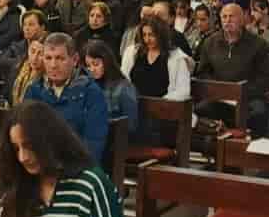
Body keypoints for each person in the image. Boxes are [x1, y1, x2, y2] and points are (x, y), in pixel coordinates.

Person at [23, 33, 110, 165]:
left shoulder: (91, 93)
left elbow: (93, 145)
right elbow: (25, 134)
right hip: (39, 165)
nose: (53, 65)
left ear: (74, 60)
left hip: (76, 166)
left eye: (60, 58)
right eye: (48, 58)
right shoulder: (34, 90)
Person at [195, 3, 269, 126]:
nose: (227, 20)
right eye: (224, 17)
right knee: (199, 110)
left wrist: (240, 92)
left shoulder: (258, 44)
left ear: (242, 20)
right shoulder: (210, 42)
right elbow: (202, 73)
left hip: (248, 97)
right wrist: (219, 90)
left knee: (259, 113)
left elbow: (266, 78)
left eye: (232, 16)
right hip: (218, 97)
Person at [120, 18, 191, 102]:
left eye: (151, 35)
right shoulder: (132, 52)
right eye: (144, 35)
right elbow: (123, 80)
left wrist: (160, 102)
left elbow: (183, 90)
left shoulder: (176, 57)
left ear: (161, 35)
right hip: (135, 103)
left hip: (163, 105)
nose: (147, 39)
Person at [83, 39, 139, 136]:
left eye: (96, 64)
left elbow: (131, 125)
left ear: (106, 62)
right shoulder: (88, 85)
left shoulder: (124, 88)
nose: (92, 69)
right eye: (88, 66)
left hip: (116, 138)